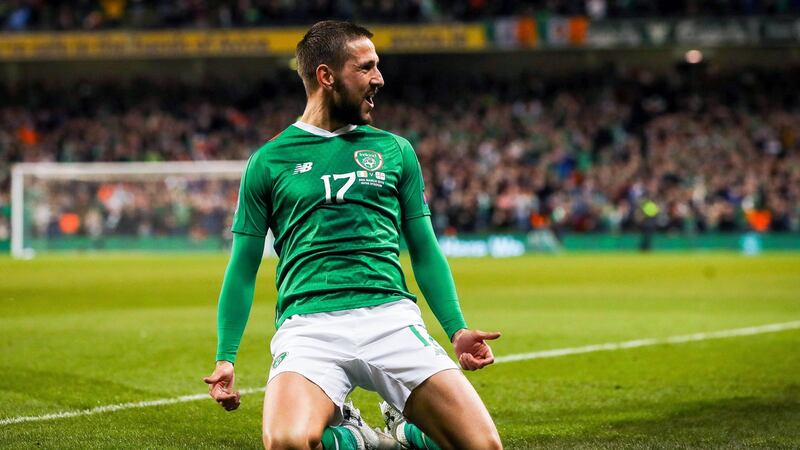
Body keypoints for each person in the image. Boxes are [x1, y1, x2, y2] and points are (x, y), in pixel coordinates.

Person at [203, 20, 503, 450]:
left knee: (484, 447)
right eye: (365, 68)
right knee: (285, 442)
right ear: (326, 76)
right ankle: (356, 436)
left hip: (391, 319)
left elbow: (424, 248)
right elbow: (243, 268)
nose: (379, 78)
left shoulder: (395, 150)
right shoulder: (267, 161)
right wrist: (225, 357)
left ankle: (407, 428)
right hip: (308, 326)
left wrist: (456, 329)